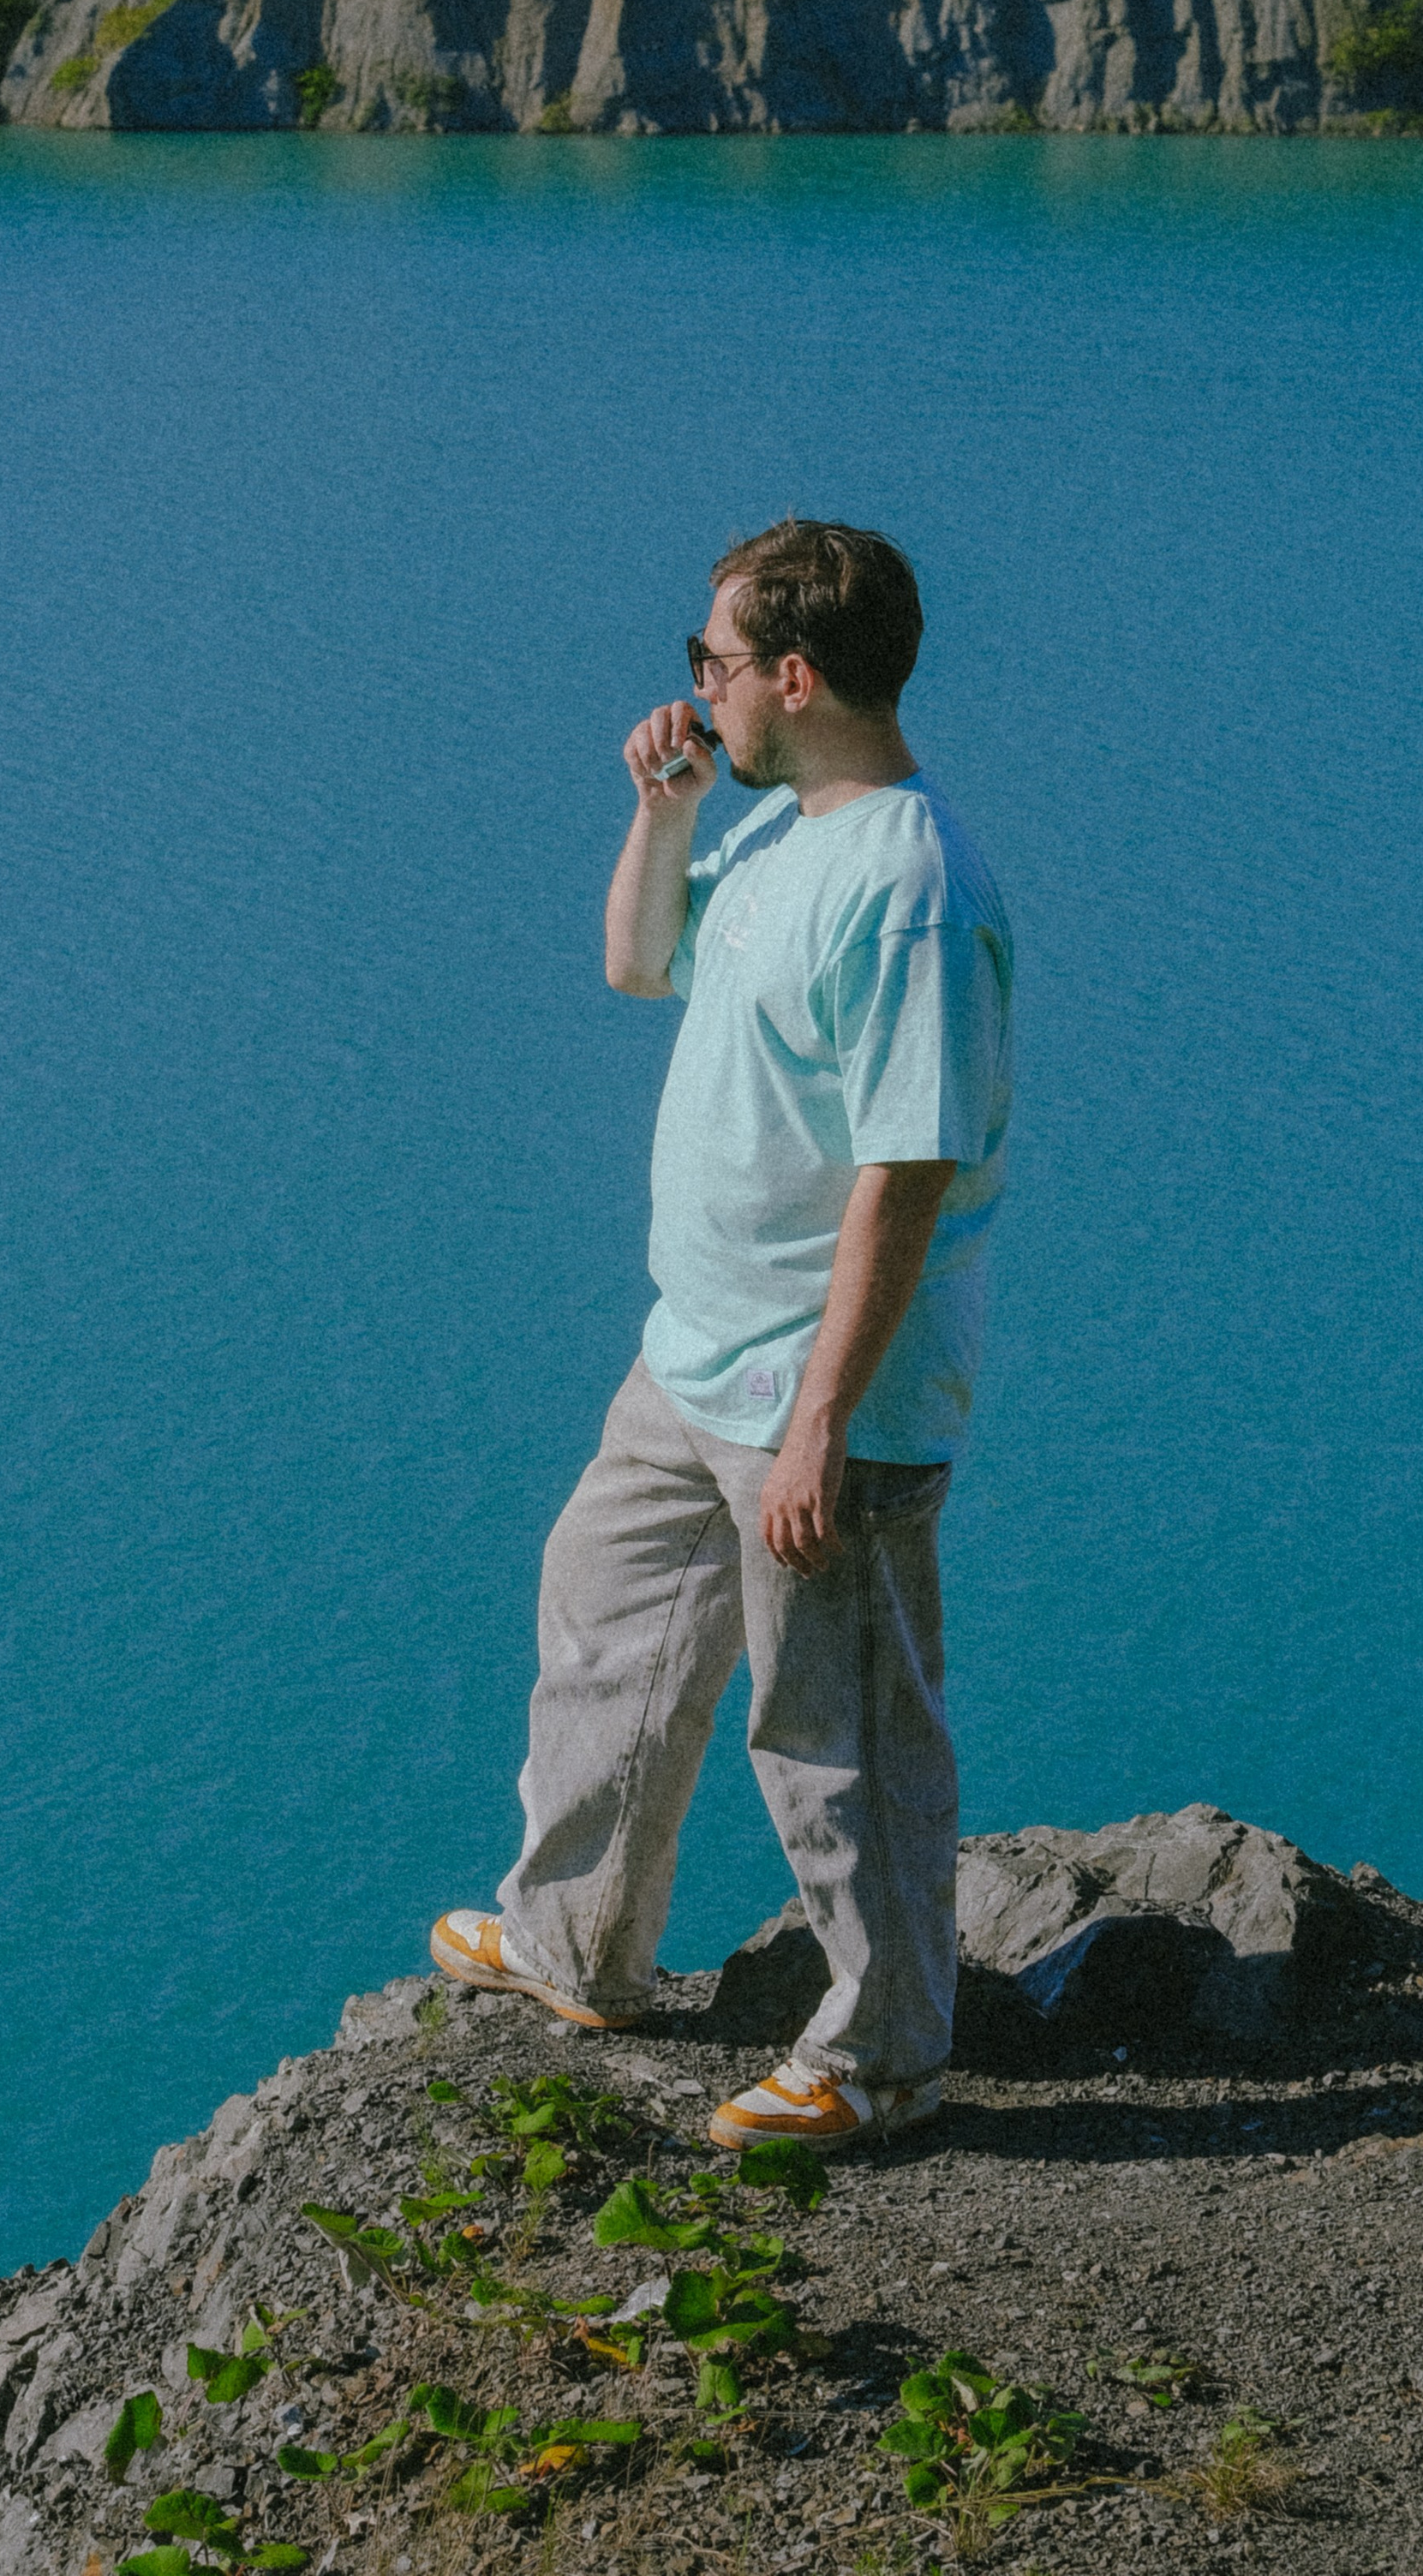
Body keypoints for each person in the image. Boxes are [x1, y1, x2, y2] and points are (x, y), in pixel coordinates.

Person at [431, 519, 1013, 2149]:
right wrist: (664, 811)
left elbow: (912, 1167)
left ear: (798, 676)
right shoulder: (773, 835)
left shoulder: (908, 884)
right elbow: (635, 964)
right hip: (693, 1355)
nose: (695, 687)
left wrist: (826, 1415)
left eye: (716, 663)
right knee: (606, 1621)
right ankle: (574, 1944)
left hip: (822, 1390)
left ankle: (885, 2055)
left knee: (835, 1725)